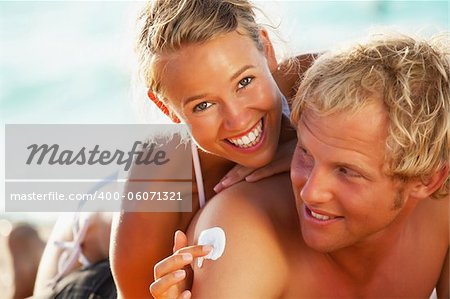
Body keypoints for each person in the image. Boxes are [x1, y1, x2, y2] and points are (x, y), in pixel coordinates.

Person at [31, 0, 313, 298]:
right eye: (203, 105)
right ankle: (27, 252)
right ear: (167, 108)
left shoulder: (317, 84)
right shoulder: (158, 183)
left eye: (244, 81)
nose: (238, 119)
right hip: (88, 261)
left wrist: (303, 146)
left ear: (267, 51)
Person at [151, 33, 449, 298]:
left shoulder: (442, 210)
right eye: (305, 151)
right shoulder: (246, 236)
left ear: (426, 180)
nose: (310, 192)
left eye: (346, 171)